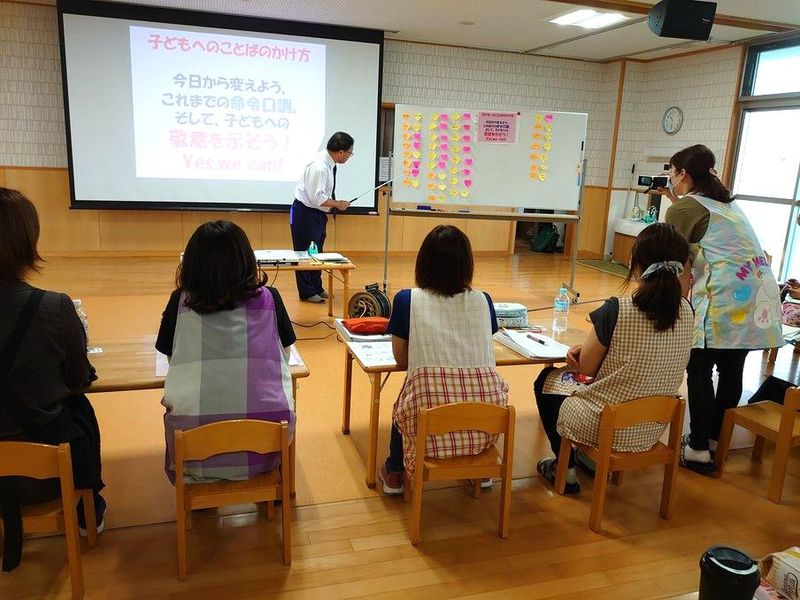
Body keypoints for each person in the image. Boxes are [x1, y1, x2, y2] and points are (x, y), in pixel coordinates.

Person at [534, 223, 693, 494]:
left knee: (546, 380)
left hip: (604, 424)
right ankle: (589, 460)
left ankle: (566, 469)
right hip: (651, 427)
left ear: (635, 264)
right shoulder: (687, 310)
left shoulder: (617, 309)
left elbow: (587, 368)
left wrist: (581, 354)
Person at [660, 144, 783, 473]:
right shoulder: (729, 204)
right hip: (757, 296)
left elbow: (675, 261)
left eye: (671, 172)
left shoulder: (685, 208)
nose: (670, 179)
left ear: (683, 174)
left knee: (699, 368)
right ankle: (713, 441)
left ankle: (698, 448)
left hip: (723, 297)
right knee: (732, 369)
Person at [0, 188, 104, 571]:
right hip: (44, 473)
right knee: (79, 411)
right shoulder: (53, 307)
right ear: (27, 241)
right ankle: (90, 510)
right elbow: (78, 378)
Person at [156, 220, 297, 483]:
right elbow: (286, 353)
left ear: (192, 264)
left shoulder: (180, 301)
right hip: (267, 449)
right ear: (246, 260)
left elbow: (171, 358)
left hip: (192, 451)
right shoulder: (271, 297)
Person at [378, 225, 508, 495]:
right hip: (483, 427)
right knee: (465, 399)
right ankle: (480, 470)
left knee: (407, 401)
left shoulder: (406, 300)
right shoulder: (484, 300)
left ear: (423, 263)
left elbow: (401, 361)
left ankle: (395, 473)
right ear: (467, 266)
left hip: (428, 426)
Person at [290, 132, 354, 303]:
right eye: (349, 153)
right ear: (340, 152)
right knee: (305, 253)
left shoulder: (329, 163)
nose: (349, 157)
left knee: (316, 251)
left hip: (316, 213)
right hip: (305, 213)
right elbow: (316, 198)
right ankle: (307, 292)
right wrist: (338, 204)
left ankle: (316, 287)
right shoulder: (320, 166)